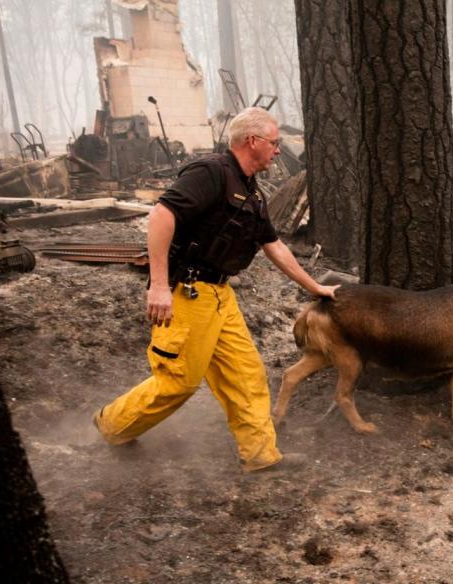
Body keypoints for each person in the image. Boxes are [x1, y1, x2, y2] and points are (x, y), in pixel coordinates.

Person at [93, 107, 338, 473]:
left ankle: (259, 456)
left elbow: (273, 245)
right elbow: (162, 215)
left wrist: (314, 286)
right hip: (187, 292)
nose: (277, 150)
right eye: (274, 142)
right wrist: (159, 286)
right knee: (178, 382)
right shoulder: (211, 173)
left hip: (221, 296)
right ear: (252, 141)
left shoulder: (252, 193)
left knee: (246, 374)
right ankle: (112, 426)